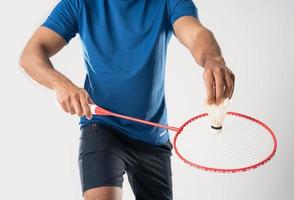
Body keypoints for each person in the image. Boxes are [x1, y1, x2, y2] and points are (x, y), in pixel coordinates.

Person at [19, 0, 235, 199]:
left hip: (153, 136)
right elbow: (30, 55)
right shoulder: (79, 3)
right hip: (102, 126)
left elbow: (195, 34)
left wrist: (212, 59)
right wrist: (61, 84)